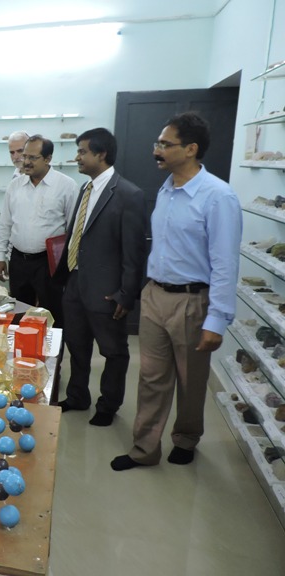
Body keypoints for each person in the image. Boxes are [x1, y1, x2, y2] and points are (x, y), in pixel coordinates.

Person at [111, 112, 242, 470]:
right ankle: (144, 449)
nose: (157, 150)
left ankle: (186, 438)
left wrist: (217, 319)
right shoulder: (166, 189)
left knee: (191, 379)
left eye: (165, 144)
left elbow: (226, 263)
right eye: (158, 143)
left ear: (191, 149)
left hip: (193, 300)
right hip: (155, 295)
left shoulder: (218, 196)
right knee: (151, 377)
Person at [54, 128, 147, 426]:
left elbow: (134, 251)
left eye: (82, 152)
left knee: (113, 351)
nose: (77, 157)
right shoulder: (85, 188)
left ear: (101, 154)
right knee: (77, 347)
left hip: (107, 291)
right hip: (75, 285)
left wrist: (126, 295)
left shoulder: (128, 194)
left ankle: (108, 405)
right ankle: (77, 396)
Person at [0, 134, 77, 326]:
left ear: (48, 159)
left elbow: (73, 230)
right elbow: (5, 223)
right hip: (18, 260)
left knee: (52, 314)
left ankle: (52, 346)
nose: (26, 162)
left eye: (33, 157)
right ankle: (21, 346)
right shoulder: (15, 186)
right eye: (25, 156)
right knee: (19, 313)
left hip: (49, 262)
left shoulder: (66, 186)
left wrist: (69, 267)